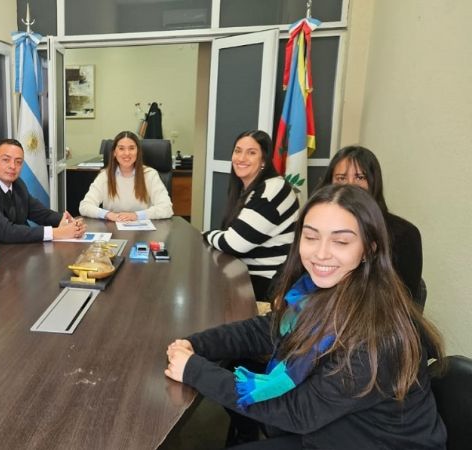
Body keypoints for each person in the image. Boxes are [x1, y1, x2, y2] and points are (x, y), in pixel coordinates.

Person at [166, 184, 446, 449]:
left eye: (341, 241)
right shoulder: (322, 289)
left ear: (369, 249)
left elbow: (297, 411)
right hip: (334, 430)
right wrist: (194, 345)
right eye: (311, 237)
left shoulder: (376, 338)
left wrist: (194, 369)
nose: (320, 254)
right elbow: (267, 329)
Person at [314, 145, 422, 304]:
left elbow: (405, 300)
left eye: (359, 177)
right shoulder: (316, 226)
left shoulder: (404, 233)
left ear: (374, 183)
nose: (350, 185)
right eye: (341, 178)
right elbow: (286, 276)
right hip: (313, 314)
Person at [203, 130, 300, 301]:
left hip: (266, 284)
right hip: (246, 273)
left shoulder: (271, 190)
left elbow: (234, 243)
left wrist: (206, 235)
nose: (241, 158)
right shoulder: (251, 189)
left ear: (263, 160)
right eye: (238, 151)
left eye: (251, 153)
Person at [0, 138, 86, 244]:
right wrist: (56, 233)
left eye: (18, 162)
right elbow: (6, 232)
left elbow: (41, 213)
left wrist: (70, 223)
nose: (12, 166)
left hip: (10, 254)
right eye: (6, 160)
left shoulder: (17, 184)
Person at [78, 130, 173, 221]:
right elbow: (85, 206)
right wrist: (108, 215)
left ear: (138, 152)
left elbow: (167, 208)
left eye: (131, 148)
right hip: (113, 229)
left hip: (144, 232)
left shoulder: (150, 175)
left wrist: (136, 215)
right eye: (121, 148)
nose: (127, 153)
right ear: (115, 152)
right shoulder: (105, 176)